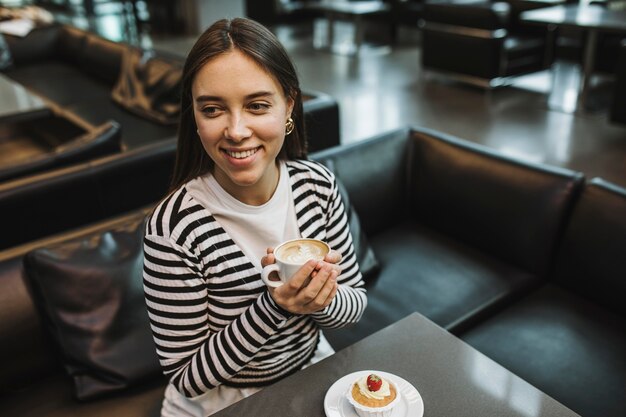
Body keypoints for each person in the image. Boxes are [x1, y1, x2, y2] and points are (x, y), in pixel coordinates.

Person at [142, 17, 367, 416]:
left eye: (257, 105)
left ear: (289, 106)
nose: (236, 130)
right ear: (194, 116)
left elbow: (355, 305)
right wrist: (276, 306)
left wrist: (319, 299)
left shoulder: (319, 186)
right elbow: (188, 376)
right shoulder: (173, 229)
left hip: (310, 374)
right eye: (212, 109)